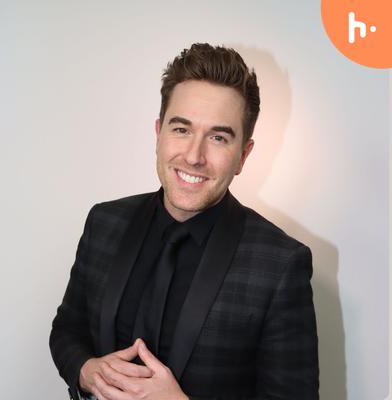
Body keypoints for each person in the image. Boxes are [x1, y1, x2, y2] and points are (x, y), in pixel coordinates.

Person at [50, 43, 319, 400]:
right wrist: (87, 371)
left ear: (243, 155)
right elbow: (67, 329)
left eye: (218, 137)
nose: (194, 156)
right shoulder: (104, 222)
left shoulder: (282, 264)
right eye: (181, 129)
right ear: (159, 133)